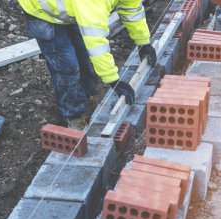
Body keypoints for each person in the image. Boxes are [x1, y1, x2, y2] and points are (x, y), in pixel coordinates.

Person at [18, 0, 157, 130]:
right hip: (40, 9)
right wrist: (113, 80)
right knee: (67, 66)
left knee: (82, 54)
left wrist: (143, 42)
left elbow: (131, 9)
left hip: (70, 7)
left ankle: (84, 96)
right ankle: (73, 115)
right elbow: (96, 41)